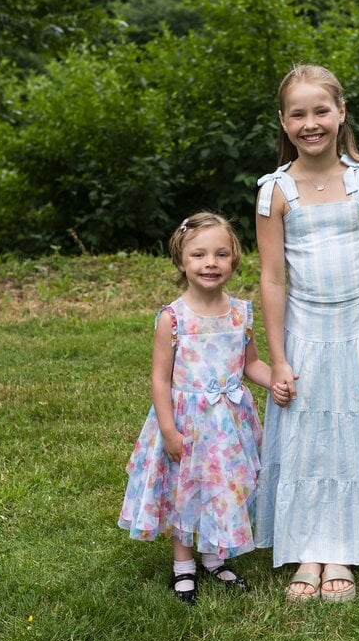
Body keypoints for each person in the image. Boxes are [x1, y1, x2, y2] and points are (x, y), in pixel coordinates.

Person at [255, 64, 359, 603]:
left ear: (341, 113)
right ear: (283, 121)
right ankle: (308, 549)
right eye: (297, 114)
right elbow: (273, 278)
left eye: (320, 111)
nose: (310, 123)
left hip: (358, 333)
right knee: (307, 441)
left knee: (354, 439)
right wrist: (277, 357)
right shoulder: (273, 191)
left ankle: (344, 548)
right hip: (303, 336)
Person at [118, 212, 291, 605]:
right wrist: (167, 429)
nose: (210, 263)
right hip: (187, 422)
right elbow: (161, 379)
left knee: (224, 488)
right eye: (198, 255)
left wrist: (275, 380)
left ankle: (216, 556)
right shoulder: (173, 318)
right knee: (186, 492)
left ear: (234, 259)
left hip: (229, 424)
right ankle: (184, 567)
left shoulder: (241, 313)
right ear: (181, 261)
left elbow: (249, 365)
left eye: (220, 254)